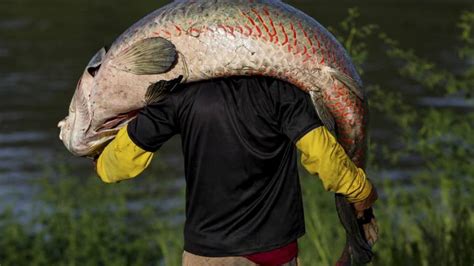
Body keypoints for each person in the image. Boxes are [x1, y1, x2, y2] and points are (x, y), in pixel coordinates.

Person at [94, 76, 377, 265]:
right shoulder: (282, 91)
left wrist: (99, 158)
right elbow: (324, 157)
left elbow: (114, 168)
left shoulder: (179, 94)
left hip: (207, 255)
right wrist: (361, 191)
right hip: (274, 251)